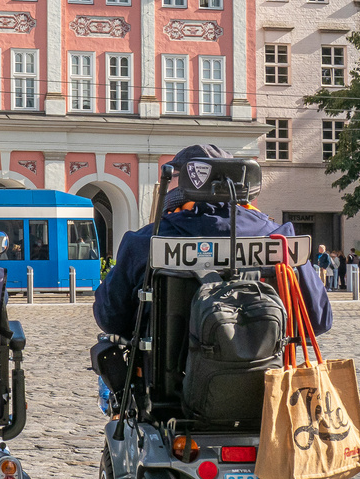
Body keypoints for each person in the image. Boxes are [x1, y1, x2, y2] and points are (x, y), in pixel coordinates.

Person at [94, 144, 294, 337]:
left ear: (182, 182)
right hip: (266, 368)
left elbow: (110, 319)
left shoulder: (144, 242)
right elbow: (319, 319)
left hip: (166, 369)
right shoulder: (279, 239)